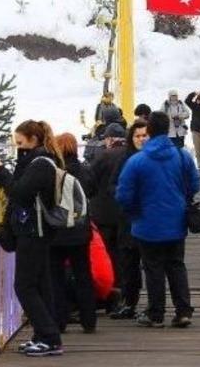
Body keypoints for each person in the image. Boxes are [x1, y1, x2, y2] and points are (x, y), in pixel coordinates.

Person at [0, 120, 65, 357]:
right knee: (40, 285)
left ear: (33, 139)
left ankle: (49, 337)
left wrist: (1, 172)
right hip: (34, 232)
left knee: (24, 286)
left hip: (33, 232)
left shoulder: (40, 164)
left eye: (20, 143)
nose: (18, 147)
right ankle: (45, 335)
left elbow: (19, 192)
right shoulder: (36, 161)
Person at [115, 112, 199, 328]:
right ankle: (183, 311)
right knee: (176, 265)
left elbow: (123, 194)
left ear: (149, 131)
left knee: (153, 268)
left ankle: (156, 313)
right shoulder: (182, 155)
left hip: (146, 223)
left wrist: (134, 211)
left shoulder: (137, 161)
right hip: (176, 220)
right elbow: (194, 185)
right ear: (168, 128)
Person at [47, 133, 97, 334]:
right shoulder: (85, 171)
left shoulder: (52, 173)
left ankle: (59, 320)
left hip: (56, 233)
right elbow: (92, 191)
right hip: (79, 231)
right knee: (83, 274)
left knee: (56, 278)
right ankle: (89, 320)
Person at [107, 119, 150, 319]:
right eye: (137, 136)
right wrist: (125, 196)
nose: (141, 139)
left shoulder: (154, 158)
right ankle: (129, 302)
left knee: (152, 264)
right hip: (128, 218)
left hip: (150, 218)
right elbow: (112, 185)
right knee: (128, 262)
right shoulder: (125, 158)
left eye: (144, 135)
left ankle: (154, 305)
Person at [87, 122, 128, 294]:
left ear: (109, 139)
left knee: (107, 251)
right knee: (125, 251)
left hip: (102, 212)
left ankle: (111, 288)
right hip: (125, 211)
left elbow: (89, 180)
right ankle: (125, 286)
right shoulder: (131, 155)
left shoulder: (103, 156)